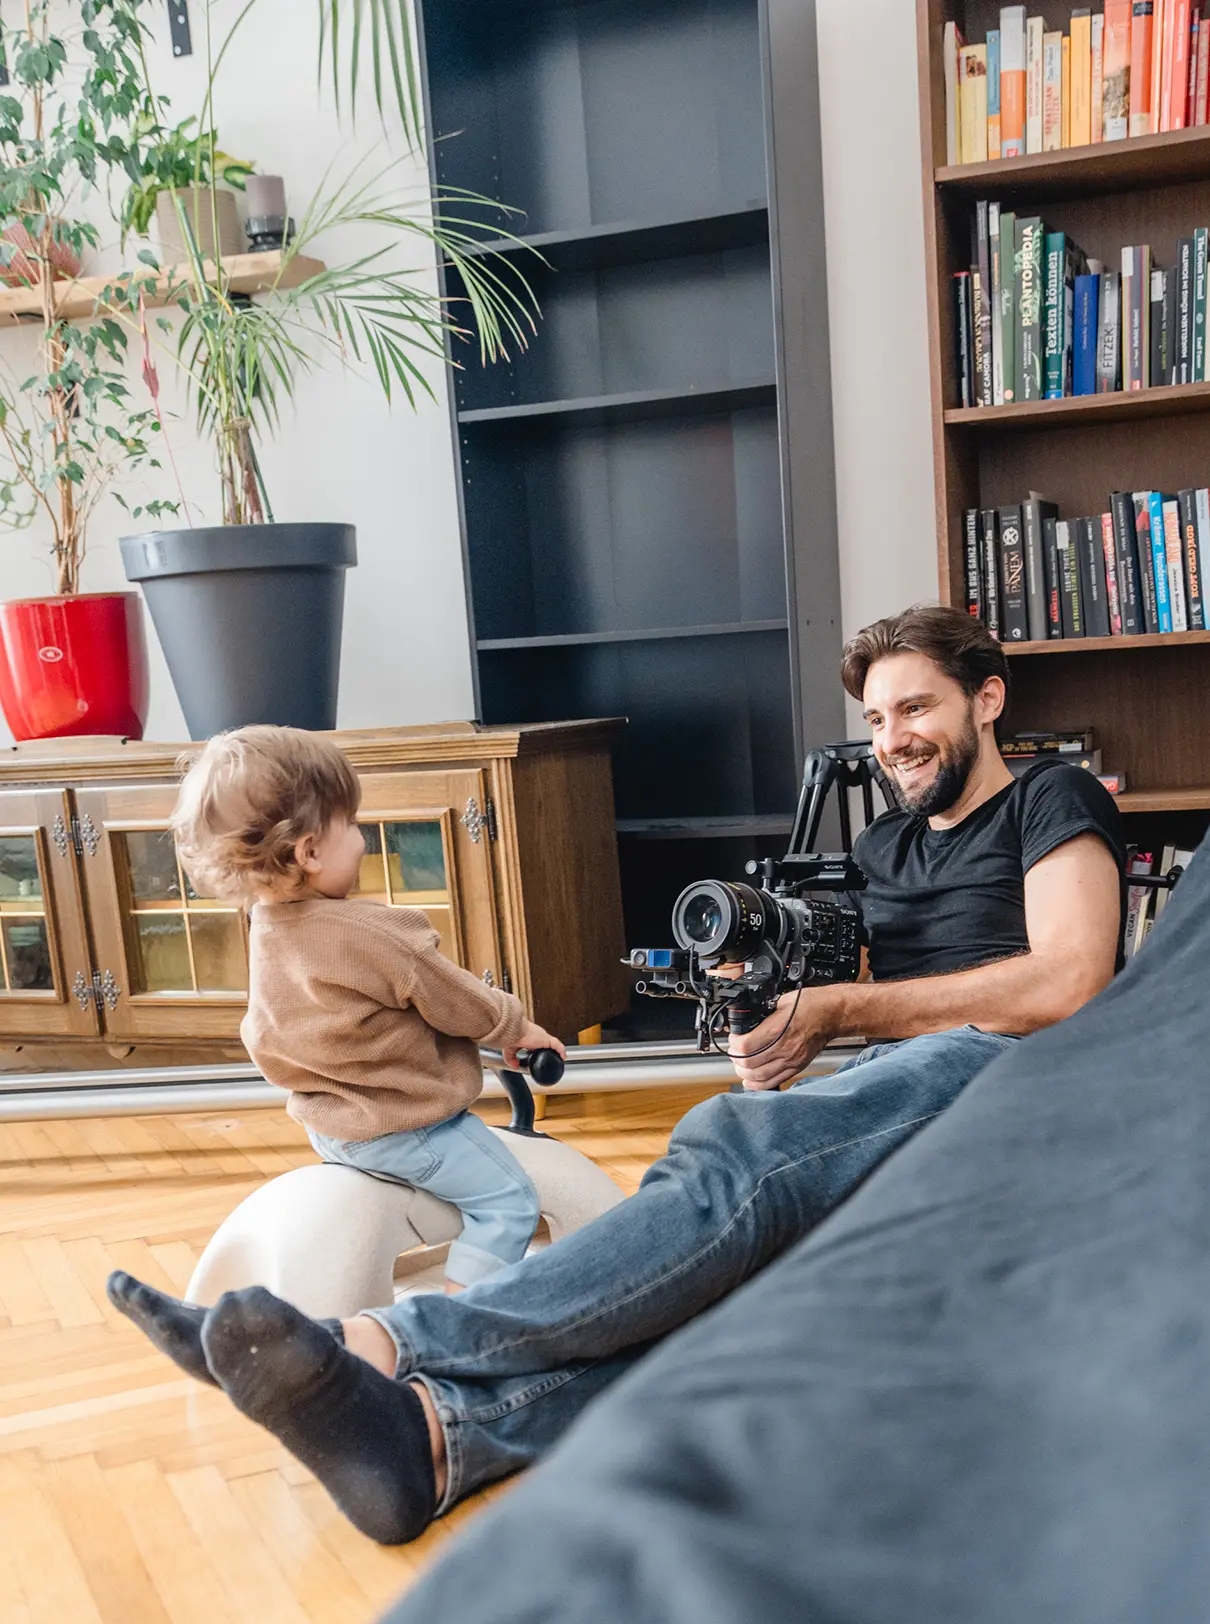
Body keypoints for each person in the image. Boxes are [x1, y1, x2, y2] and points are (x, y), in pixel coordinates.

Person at [108, 606, 1125, 1545]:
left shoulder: (1049, 795)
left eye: (916, 707)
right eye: (875, 715)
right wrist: (782, 1030)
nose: (890, 736)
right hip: (909, 1084)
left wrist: (845, 1013)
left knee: (729, 1146)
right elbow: (867, 992)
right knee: (733, 1277)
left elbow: (1068, 980)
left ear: (986, 699)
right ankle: (427, 1441)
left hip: (1020, 1076)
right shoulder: (884, 842)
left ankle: (379, 1340)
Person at [115, 726, 564, 1295]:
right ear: (308, 851)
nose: (362, 840)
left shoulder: (267, 926)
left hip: (333, 1131)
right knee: (509, 1202)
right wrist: (516, 1026)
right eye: (351, 824)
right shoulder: (376, 932)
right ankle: (454, 1322)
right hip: (409, 1126)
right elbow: (456, 999)